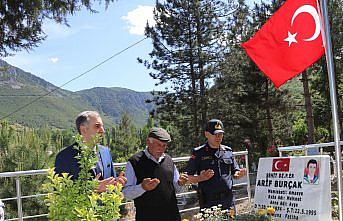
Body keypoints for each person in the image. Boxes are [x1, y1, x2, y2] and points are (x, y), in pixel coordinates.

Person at [123, 127, 188, 221]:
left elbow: (177, 189)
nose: (161, 149)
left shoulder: (169, 160)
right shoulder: (135, 162)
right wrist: (142, 187)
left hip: (172, 216)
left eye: (164, 145)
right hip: (147, 217)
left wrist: (180, 183)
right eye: (158, 144)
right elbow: (126, 193)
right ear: (148, 142)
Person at [55, 111, 126, 192]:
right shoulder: (64, 157)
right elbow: (59, 191)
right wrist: (91, 188)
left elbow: (111, 179)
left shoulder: (105, 152)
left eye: (102, 126)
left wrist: (117, 183)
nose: (102, 130)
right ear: (83, 129)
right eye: (97, 126)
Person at [186, 119, 247, 210]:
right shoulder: (199, 153)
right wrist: (201, 178)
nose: (218, 137)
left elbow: (235, 172)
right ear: (206, 134)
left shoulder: (228, 151)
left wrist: (239, 174)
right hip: (209, 203)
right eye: (215, 134)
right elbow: (188, 178)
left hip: (228, 201)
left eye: (220, 134)